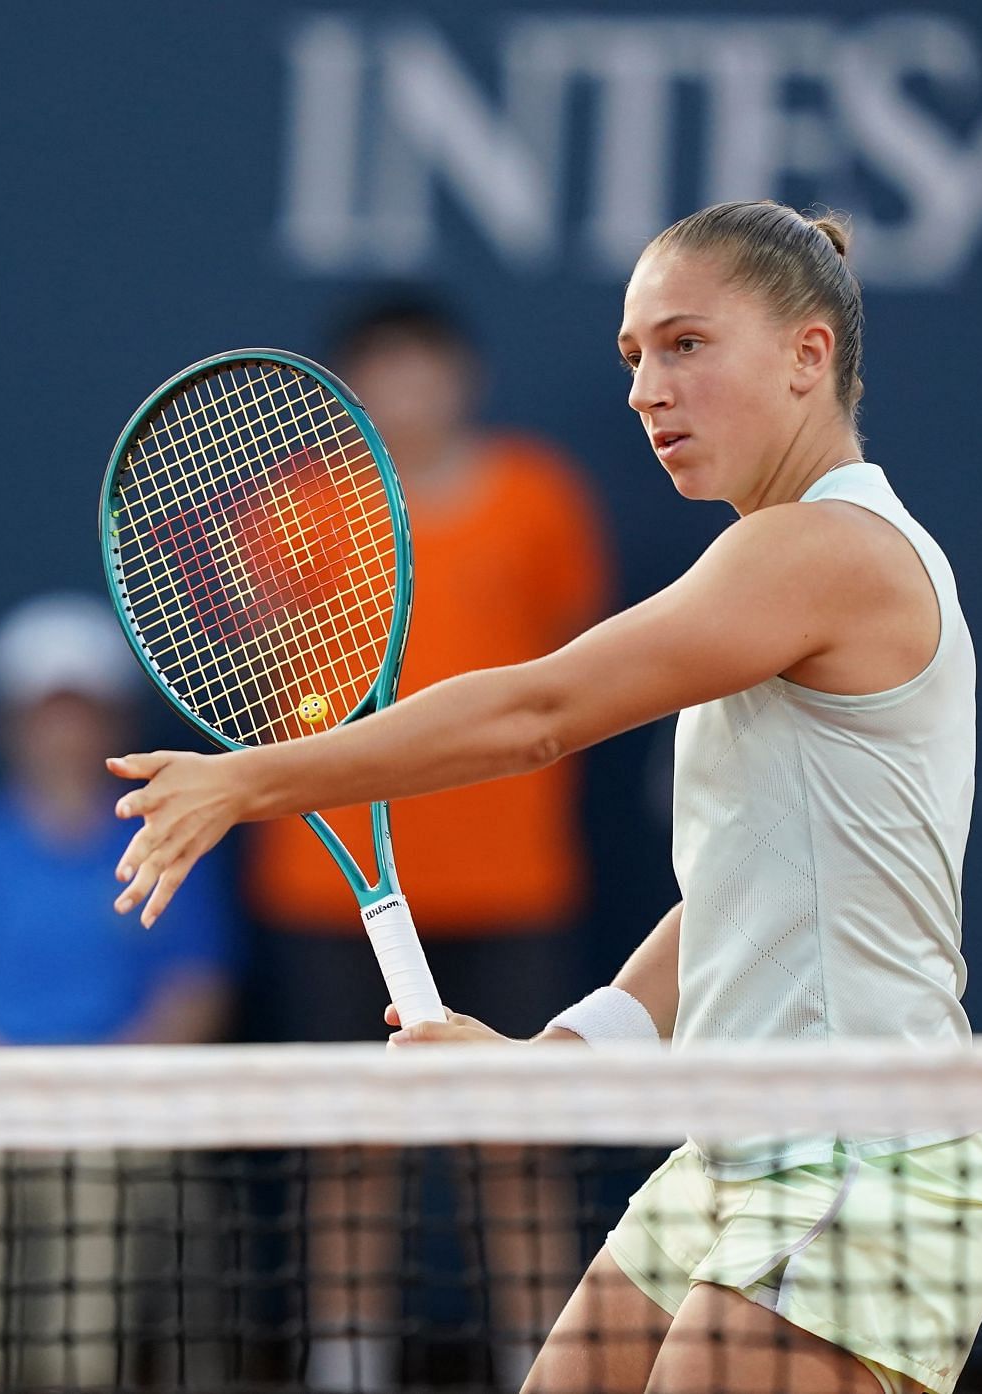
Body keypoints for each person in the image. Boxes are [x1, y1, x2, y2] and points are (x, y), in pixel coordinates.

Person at [107, 202, 982, 1394]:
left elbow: (538, 712)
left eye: (687, 343)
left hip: (863, 1158)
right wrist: (561, 1051)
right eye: (634, 356)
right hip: (737, 1153)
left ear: (809, 355)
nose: (647, 389)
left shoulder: (821, 549)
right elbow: (751, 894)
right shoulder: (776, 560)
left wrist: (254, 777)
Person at [240, 295, 613, 1390]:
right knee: (350, 1149)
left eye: (426, 366)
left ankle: (540, 1369)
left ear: (463, 377)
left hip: (511, 882)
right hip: (331, 891)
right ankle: (345, 1369)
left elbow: (569, 673)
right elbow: (271, 692)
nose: (408, 390)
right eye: (383, 369)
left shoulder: (540, 498)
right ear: (354, 386)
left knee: (520, 1146)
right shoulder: (299, 511)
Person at [0, 591, 238, 1390]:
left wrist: (91, 1094)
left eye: (81, 712)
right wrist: (9, 1092)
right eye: (46, 713)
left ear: (114, 724)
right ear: (12, 725)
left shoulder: (171, 841)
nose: (64, 733)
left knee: (99, 1212)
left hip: (113, 1119)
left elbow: (194, 996)